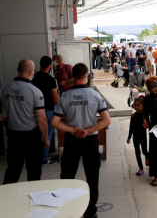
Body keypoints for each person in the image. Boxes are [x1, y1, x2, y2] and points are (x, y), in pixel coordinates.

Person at [52, 63, 111, 218]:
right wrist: (87, 131)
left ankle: (68, 210)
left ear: (73, 76)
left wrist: (74, 130)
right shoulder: (95, 95)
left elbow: (55, 123)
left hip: (72, 141)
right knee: (92, 176)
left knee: (67, 176)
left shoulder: (65, 96)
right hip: (90, 141)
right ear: (86, 76)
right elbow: (106, 121)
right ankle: (90, 211)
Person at [0, 59, 49, 184]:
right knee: (34, 171)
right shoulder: (35, 91)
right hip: (31, 137)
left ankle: (5, 200)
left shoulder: (5, 88)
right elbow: (41, 119)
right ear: (32, 72)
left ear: (18, 70)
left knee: (13, 170)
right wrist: (46, 138)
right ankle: (34, 199)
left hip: (13, 136)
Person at [32, 56, 60, 166]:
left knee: (37, 134)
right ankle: (43, 158)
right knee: (46, 135)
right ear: (49, 66)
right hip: (47, 110)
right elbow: (55, 98)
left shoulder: (34, 78)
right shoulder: (50, 79)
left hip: (34, 110)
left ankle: (38, 155)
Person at [127, 97, 149, 176]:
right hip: (135, 138)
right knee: (137, 153)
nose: (136, 107)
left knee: (144, 151)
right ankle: (141, 168)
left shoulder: (145, 116)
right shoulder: (133, 116)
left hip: (143, 137)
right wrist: (129, 137)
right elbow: (131, 127)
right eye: (135, 105)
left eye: (138, 105)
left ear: (143, 106)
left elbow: (149, 125)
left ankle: (148, 157)